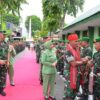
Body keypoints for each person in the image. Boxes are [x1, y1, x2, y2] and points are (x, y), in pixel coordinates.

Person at [63, 33, 85, 100]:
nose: (77, 43)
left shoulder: (75, 50)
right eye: (76, 41)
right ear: (71, 41)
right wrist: (83, 62)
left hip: (76, 75)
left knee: (74, 94)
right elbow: (73, 64)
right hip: (70, 76)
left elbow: (78, 59)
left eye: (77, 41)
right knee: (69, 94)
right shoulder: (68, 51)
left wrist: (82, 60)